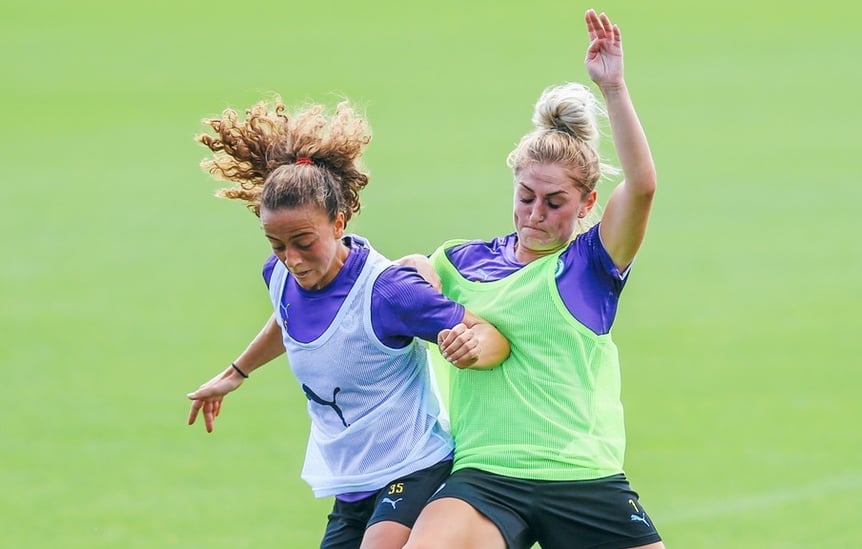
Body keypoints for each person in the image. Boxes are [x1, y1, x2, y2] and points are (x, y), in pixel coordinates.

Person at [184, 97, 510, 549]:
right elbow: (289, 319)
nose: (291, 259)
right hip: (352, 481)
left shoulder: (389, 292)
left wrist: (471, 348)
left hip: (414, 467)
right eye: (277, 244)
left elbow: (485, 333)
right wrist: (236, 373)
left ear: (338, 222)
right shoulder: (277, 275)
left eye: (303, 242)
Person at [402, 9, 665, 549]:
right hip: (486, 477)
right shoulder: (458, 262)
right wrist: (414, 273)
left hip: (583, 477)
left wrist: (613, 87)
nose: (536, 214)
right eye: (526, 197)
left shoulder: (592, 265)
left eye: (555, 202)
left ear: (587, 203)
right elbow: (396, 297)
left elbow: (641, 187)